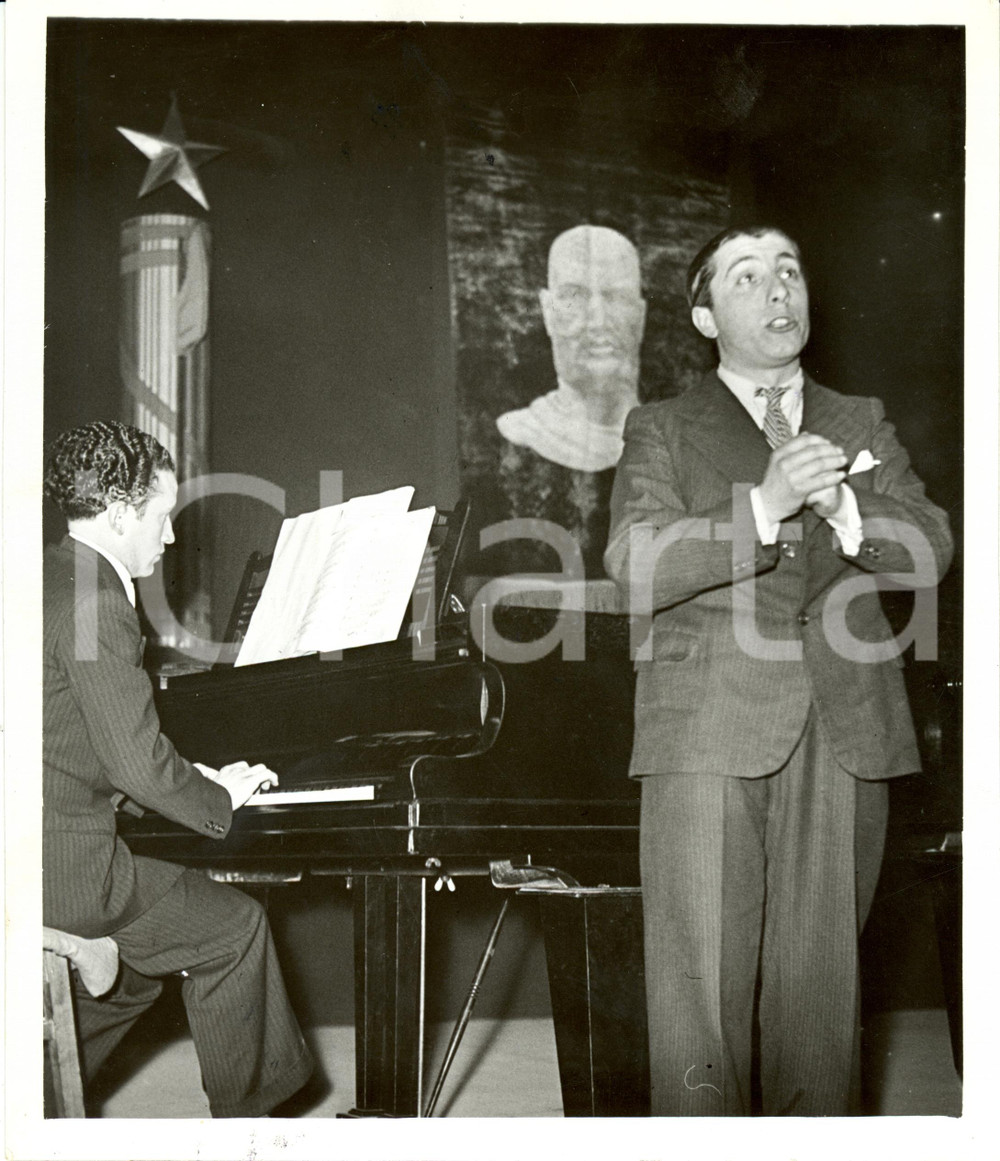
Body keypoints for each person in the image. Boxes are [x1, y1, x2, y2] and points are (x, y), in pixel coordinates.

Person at [604, 226, 953, 1116]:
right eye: (748, 277)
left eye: (790, 270)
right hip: (708, 728)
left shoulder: (860, 418)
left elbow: (933, 549)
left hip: (847, 733)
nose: (777, 291)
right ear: (704, 315)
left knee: (820, 1011)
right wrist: (763, 505)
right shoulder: (661, 427)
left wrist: (844, 503)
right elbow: (635, 563)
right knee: (700, 1018)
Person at [42, 419, 314, 1117]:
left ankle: (42, 1088)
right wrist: (216, 798)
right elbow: (136, 764)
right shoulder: (100, 601)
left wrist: (185, 774)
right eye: (161, 517)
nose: (169, 537)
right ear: (118, 512)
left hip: (30, 849)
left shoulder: (47, 575)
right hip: (63, 869)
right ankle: (249, 1126)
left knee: (130, 974)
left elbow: (78, 739)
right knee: (236, 927)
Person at [496, 224, 647, 472]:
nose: (597, 322)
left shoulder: (670, 444)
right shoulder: (522, 431)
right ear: (548, 312)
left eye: (617, 297)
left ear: (640, 317)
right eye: (574, 296)